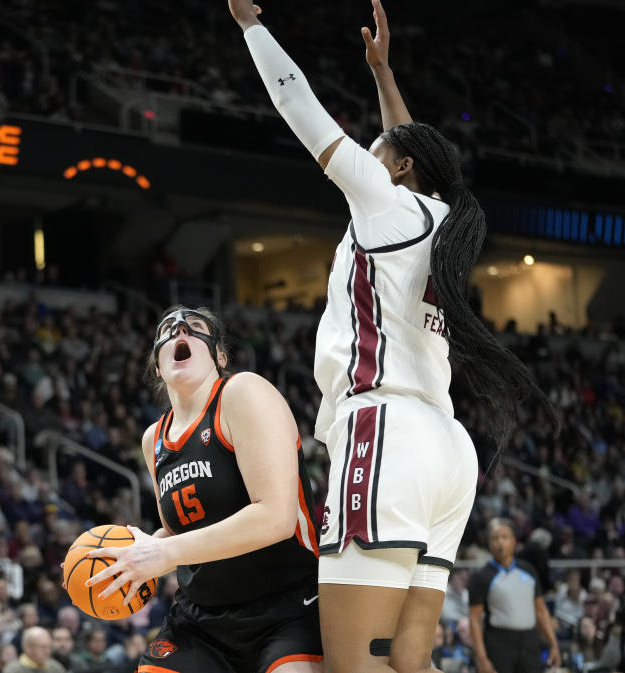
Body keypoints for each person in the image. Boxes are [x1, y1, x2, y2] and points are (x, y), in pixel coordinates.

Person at [226, 2, 555, 673]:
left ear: (398, 169)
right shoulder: (444, 222)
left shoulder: (383, 202)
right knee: (410, 659)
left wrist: (250, 27)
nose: (370, 158)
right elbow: (406, 143)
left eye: (381, 154)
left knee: (356, 663)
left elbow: (298, 103)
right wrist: (383, 74)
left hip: (388, 434)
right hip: (445, 447)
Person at [85, 307, 322, 673]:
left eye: (196, 327)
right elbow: (178, 533)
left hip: (286, 604)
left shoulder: (242, 391)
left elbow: (276, 518)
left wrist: (163, 552)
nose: (180, 329)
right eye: (168, 329)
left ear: (219, 356)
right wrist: (130, 558)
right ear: (158, 367)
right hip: (200, 619)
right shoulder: (154, 439)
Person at [468, 519, 559, 673]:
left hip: (529, 641)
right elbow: (475, 620)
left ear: (514, 541)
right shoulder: (481, 576)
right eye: (495, 538)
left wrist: (553, 644)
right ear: (489, 543)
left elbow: (541, 611)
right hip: (498, 642)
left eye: (504, 537)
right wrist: (482, 658)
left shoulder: (529, 570)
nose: (500, 542)